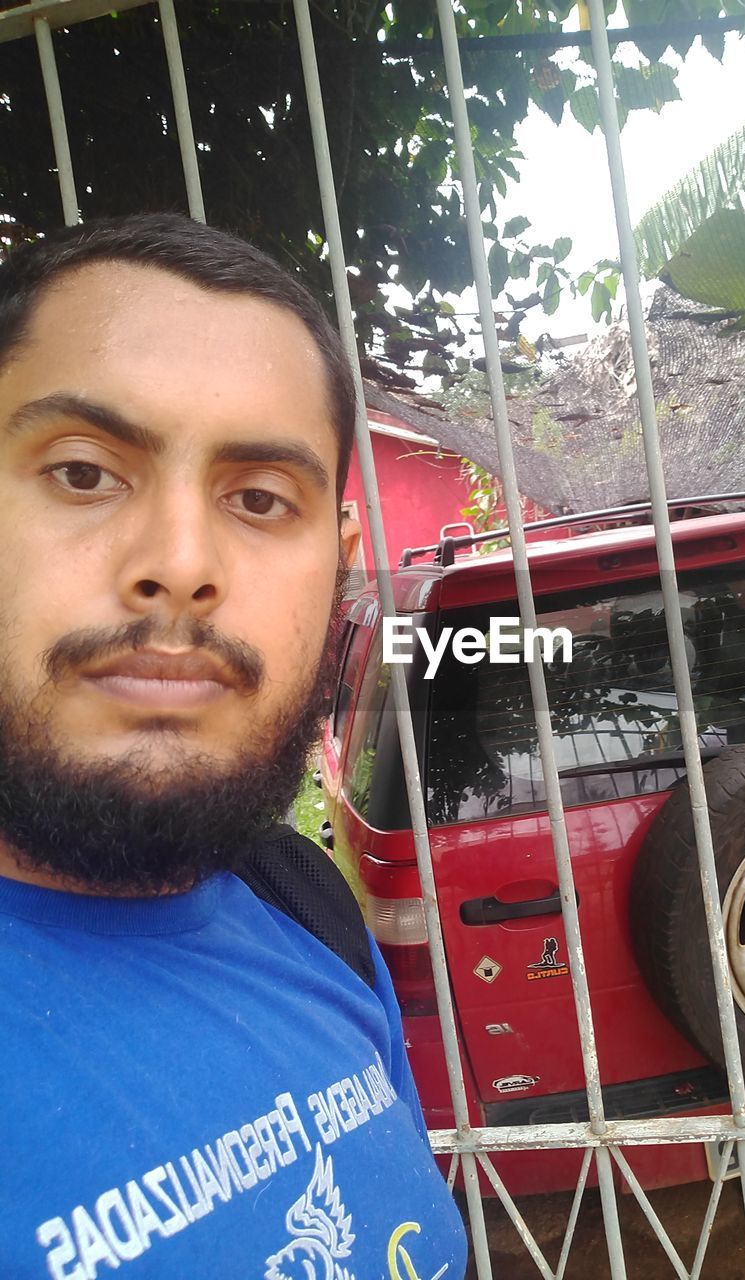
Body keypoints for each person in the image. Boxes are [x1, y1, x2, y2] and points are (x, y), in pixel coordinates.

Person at [0, 214, 468, 1280]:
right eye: (83, 472)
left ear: (338, 564)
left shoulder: (303, 904)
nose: (179, 562)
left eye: (260, 498)